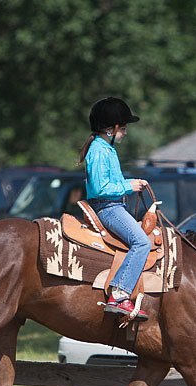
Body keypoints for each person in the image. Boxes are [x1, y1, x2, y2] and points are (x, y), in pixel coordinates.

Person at [77, 96, 150, 320]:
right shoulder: (99, 150)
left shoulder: (106, 148)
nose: (125, 133)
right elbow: (100, 187)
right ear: (113, 128)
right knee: (141, 242)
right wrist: (130, 185)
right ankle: (119, 294)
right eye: (124, 127)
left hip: (115, 205)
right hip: (108, 208)